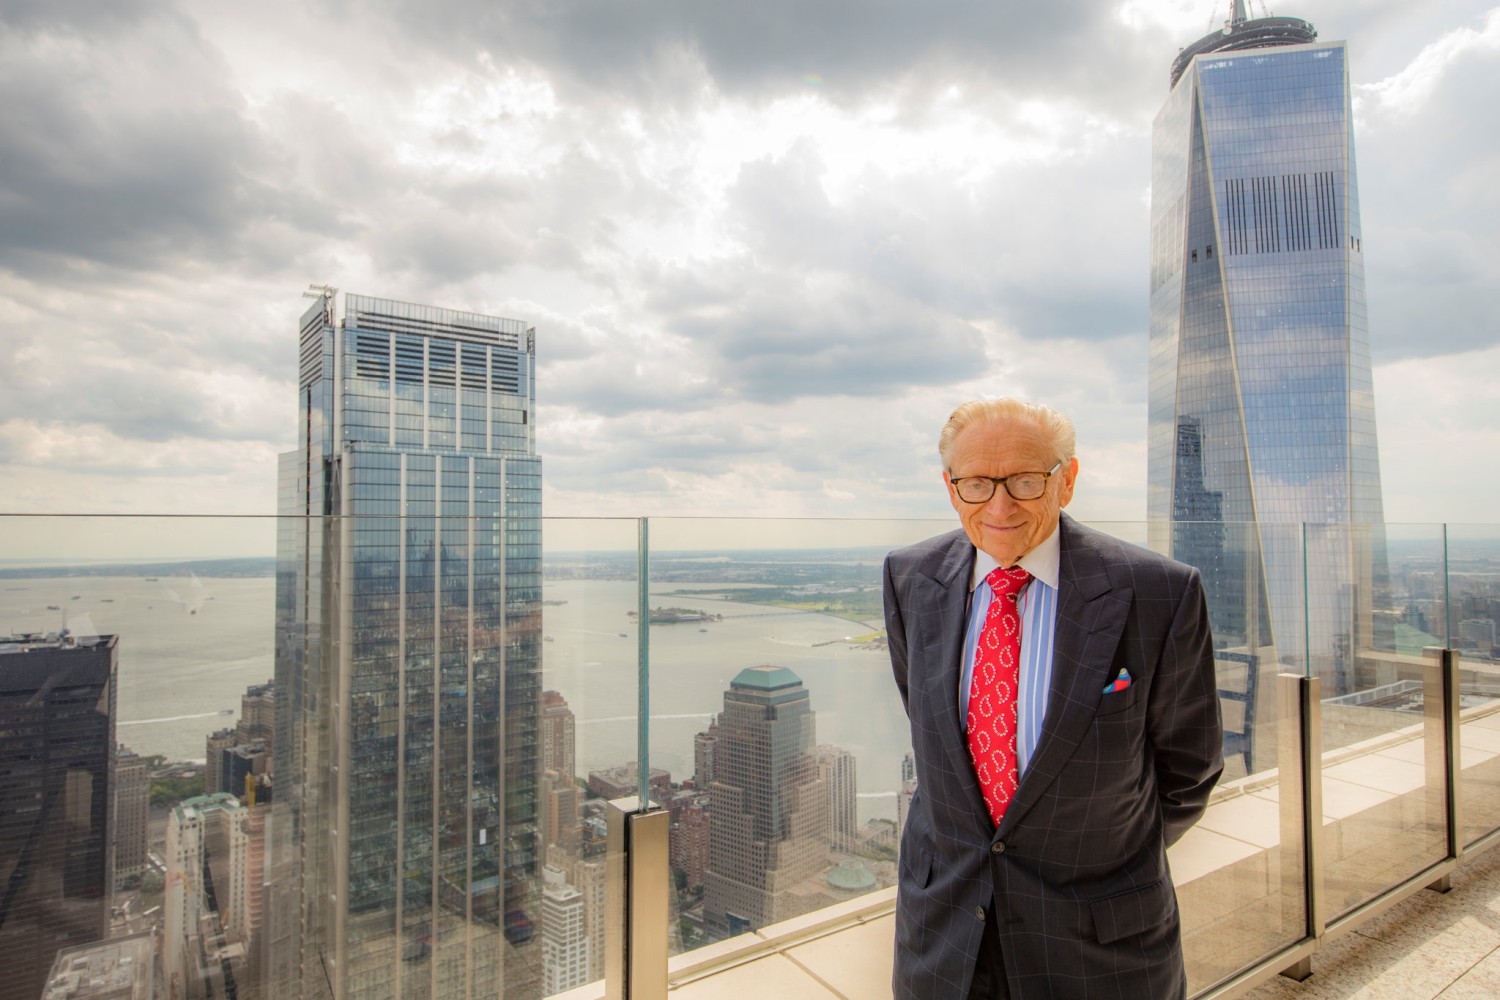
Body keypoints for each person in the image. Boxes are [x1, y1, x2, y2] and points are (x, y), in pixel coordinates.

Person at [883, 398, 1223, 999]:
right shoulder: (909, 577)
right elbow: (934, 738)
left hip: (1099, 946)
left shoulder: (1159, 592)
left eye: (1025, 480)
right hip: (943, 936)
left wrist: (1102, 859)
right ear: (950, 487)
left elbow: (1188, 772)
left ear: (1067, 480)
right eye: (977, 484)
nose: (1000, 506)